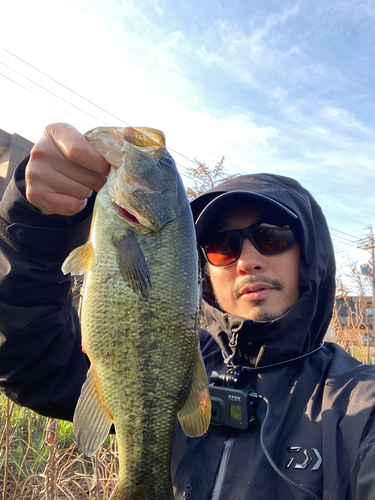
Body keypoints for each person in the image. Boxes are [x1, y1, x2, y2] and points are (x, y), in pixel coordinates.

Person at [0, 123, 375, 500]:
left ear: (309, 255)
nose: (246, 261)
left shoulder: (359, 405)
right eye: (222, 245)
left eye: (271, 236)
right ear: (204, 266)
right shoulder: (183, 356)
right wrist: (37, 222)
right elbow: (26, 360)